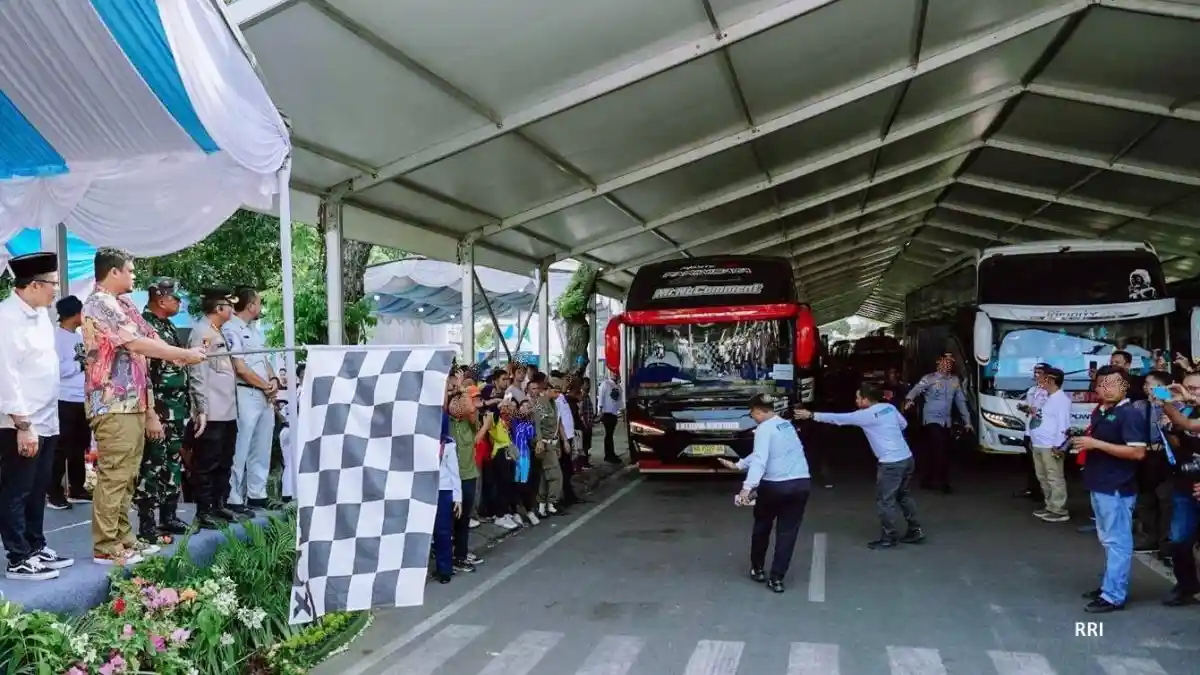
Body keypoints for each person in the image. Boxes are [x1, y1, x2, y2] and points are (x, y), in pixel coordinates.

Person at [82, 248, 204, 566]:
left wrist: (179, 354)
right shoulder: (99, 303)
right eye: (130, 271)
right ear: (113, 272)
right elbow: (134, 343)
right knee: (115, 474)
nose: (134, 277)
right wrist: (182, 355)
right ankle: (106, 545)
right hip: (112, 401)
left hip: (134, 401)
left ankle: (123, 539)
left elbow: (149, 337)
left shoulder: (124, 304)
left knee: (129, 474)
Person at [0, 253, 74, 580]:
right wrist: (22, 424)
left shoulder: (40, 314)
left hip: (47, 418)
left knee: (37, 487)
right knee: (16, 489)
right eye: (52, 284)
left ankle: (34, 545)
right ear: (33, 285)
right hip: (20, 422)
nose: (55, 291)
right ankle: (17, 556)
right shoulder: (6, 318)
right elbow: (6, 375)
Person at [796, 383, 923, 549]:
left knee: (886, 501)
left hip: (890, 463)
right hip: (907, 458)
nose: (855, 401)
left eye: (857, 397)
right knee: (903, 495)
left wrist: (811, 415)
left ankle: (889, 537)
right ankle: (915, 529)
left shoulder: (865, 415)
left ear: (865, 399)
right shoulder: (889, 408)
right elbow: (903, 425)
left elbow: (838, 419)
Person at [1071, 366, 1147, 613]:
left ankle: (1114, 595)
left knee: (1117, 541)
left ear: (1125, 386)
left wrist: (1096, 444)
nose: (1107, 388)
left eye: (1113, 383)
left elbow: (1137, 452)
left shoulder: (1130, 414)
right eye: (1102, 383)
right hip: (1099, 483)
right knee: (1108, 540)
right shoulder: (1101, 411)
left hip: (1117, 486)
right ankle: (1109, 585)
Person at [718, 393, 811, 593]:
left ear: (759, 411)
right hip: (801, 483)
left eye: (752, 413)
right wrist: (740, 464)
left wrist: (746, 488)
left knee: (762, 526)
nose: (752, 417)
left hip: (775, 486)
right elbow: (765, 452)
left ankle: (758, 568)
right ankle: (777, 579)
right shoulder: (785, 425)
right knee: (787, 533)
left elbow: (761, 459)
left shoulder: (763, 429)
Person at [135, 278, 191, 545]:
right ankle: (147, 523)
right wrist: (151, 413)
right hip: (158, 409)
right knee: (153, 463)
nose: (179, 302)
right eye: (175, 298)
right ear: (161, 299)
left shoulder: (167, 325)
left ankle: (168, 516)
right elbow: (143, 374)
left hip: (176, 408)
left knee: (172, 463)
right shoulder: (144, 327)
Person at [188, 289, 246, 530]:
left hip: (227, 410)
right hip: (212, 411)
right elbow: (197, 372)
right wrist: (201, 407)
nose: (232, 310)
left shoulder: (217, 332)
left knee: (224, 460)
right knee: (207, 462)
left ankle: (219, 503)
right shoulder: (202, 333)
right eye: (229, 306)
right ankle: (204, 509)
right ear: (218, 309)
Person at [223, 288, 278, 516]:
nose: (260, 307)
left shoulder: (255, 330)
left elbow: (264, 359)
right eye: (259, 303)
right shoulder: (230, 328)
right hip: (246, 393)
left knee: (262, 445)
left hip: (265, 394)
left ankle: (257, 493)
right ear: (250, 305)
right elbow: (240, 368)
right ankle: (234, 496)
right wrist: (265, 387)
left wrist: (273, 379)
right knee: (241, 445)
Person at [1155, 375, 1200, 606]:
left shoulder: (1189, 418)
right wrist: (1168, 427)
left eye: (1197, 388)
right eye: (1189, 387)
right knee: (1179, 540)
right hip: (1185, 486)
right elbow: (1179, 438)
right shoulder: (1188, 412)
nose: (1192, 393)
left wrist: (1164, 399)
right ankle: (1187, 585)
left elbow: (1189, 426)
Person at [904, 353, 972, 493]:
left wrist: (967, 422)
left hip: (946, 421)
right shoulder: (929, 379)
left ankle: (927, 479)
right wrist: (909, 400)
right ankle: (943, 483)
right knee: (940, 450)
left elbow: (960, 402)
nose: (947, 365)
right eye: (944, 362)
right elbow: (915, 390)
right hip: (931, 419)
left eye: (950, 363)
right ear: (938, 363)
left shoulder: (954, 381)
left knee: (936, 450)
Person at [49, 294, 91, 510]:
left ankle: (78, 488)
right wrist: (80, 365)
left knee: (80, 445)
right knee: (61, 448)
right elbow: (56, 370)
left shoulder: (79, 336)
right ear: (74, 314)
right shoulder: (55, 338)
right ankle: (54, 492)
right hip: (64, 398)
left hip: (81, 397)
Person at [1134, 370, 1175, 557]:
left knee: (1166, 499)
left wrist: (1163, 399)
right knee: (1145, 499)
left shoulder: (1173, 404)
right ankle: (1148, 538)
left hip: (1166, 457)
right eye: (1145, 384)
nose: (1146, 387)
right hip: (1145, 455)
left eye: (1150, 384)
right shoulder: (1139, 405)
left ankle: (1166, 543)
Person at [447, 387, 484, 572]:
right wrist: (455, 391)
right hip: (451, 480)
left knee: (464, 519)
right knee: (450, 519)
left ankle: (460, 556)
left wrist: (465, 394)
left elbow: (473, 415)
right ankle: (448, 556)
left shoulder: (470, 422)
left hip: (469, 476)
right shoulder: (447, 424)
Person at [1029, 367, 1071, 523]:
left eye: (1044, 377)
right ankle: (1050, 506)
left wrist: (1059, 445)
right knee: (1043, 476)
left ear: (1052, 380)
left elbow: (1063, 424)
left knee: (1054, 477)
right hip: (1039, 443)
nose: (1040, 380)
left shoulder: (1061, 399)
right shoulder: (1046, 397)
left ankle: (1059, 509)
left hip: (1051, 445)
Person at [530, 376, 565, 518]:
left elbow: (556, 425)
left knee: (545, 477)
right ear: (548, 389)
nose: (558, 395)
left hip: (552, 443)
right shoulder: (540, 404)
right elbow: (537, 425)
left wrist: (559, 444)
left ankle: (542, 506)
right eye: (556, 392)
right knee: (556, 476)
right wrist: (539, 441)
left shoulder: (553, 403)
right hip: (544, 443)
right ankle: (551, 502)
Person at [1014, 363, 1049, 502]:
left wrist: (1031, 411)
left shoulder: (1051, 392)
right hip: (1030, 431)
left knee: (1046, 464)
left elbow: (1045, 412)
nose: (1036, 375)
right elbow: (1031, 410)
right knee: (1031, 462)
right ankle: (1032, 489)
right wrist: (1025, 409)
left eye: (1040, 372)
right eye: (1035, 372)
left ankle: (1046, 492)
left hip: (1044, 433)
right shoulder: (1031, 390)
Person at [432, 428, 462, 584]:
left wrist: (458, 498)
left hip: (443, 490)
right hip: (423, 490)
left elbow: (454, 471)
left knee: (442, 531)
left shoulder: (449, 443)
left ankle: (444, 569)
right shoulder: (419, 439)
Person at [598, 370, 624, 464]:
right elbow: (601, 397)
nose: (615, 374)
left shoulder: (618, 387)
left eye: (617, 373)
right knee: (608, 435)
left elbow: (620, 401)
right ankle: (609, 455)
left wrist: (622, 410)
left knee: (610, 435)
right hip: (607, 412)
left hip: (614, 413)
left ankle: (610, 453)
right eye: (614, 372)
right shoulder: (605, 384)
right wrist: (600, 410)